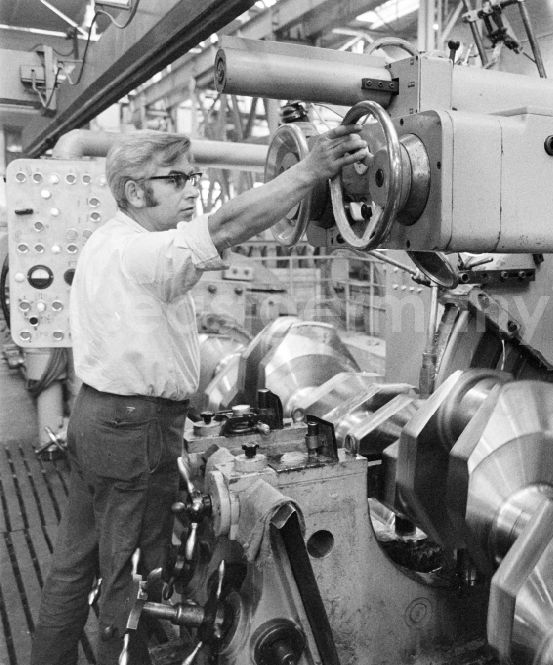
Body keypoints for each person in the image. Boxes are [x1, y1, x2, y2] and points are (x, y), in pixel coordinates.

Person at [30, 125, 368, 665]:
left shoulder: (108, 240)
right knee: (133, 581)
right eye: (177, 178)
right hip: (133, 431)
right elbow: (229, 224)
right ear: (137, 191)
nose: (192, 189)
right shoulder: (142, 255)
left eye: (194, 175)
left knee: (76, 565)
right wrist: (308, 172)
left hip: (98, 420)